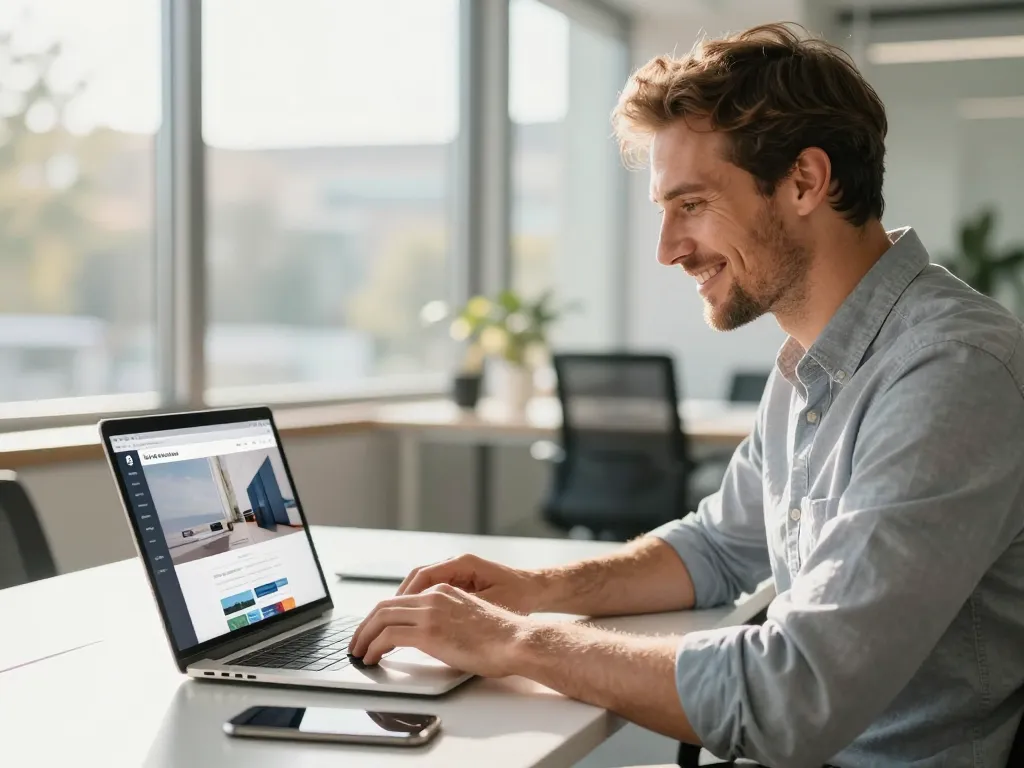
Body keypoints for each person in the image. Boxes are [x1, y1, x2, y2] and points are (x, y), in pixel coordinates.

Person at [350, 22, 1024, 767]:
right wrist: (532, 588)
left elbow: (793, 695)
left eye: (692, 204)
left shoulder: (951, 371)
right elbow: (715, 547)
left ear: (805, 181)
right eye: (663, 210)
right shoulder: (810, 361)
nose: (668, 248)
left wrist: (516, 641)